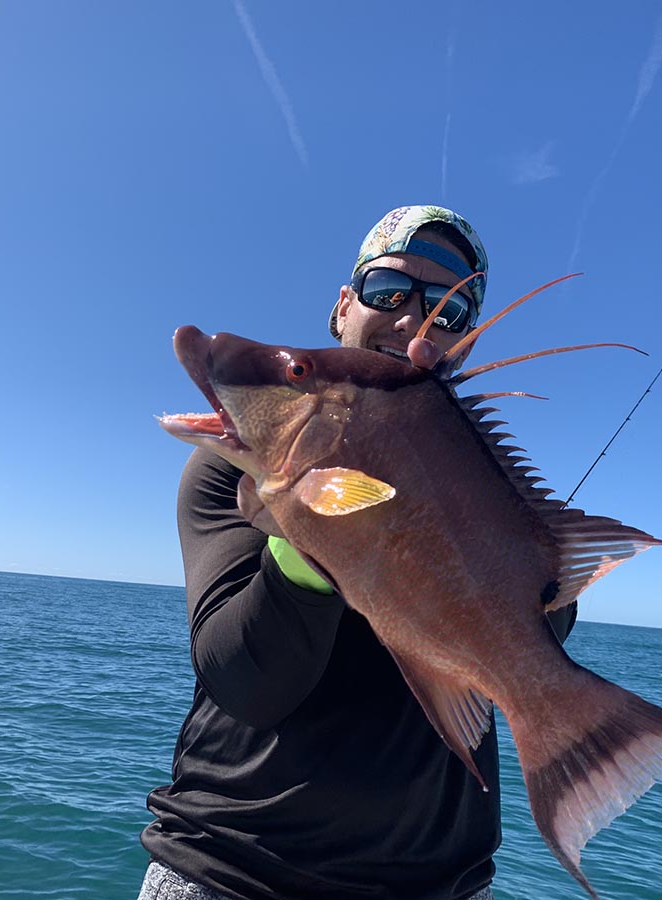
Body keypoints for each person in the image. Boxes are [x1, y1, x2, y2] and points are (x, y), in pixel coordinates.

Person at [138, 206, 577, 900]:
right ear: (344, 306)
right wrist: (306, 534)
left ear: (461, 345)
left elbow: (546, 624)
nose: (410, 320)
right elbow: (246, 680)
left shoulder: (477, 486)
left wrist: (504, 557)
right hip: (232, 872)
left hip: (440, 884)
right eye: (388, 291)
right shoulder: (235, 470)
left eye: (447, 309)